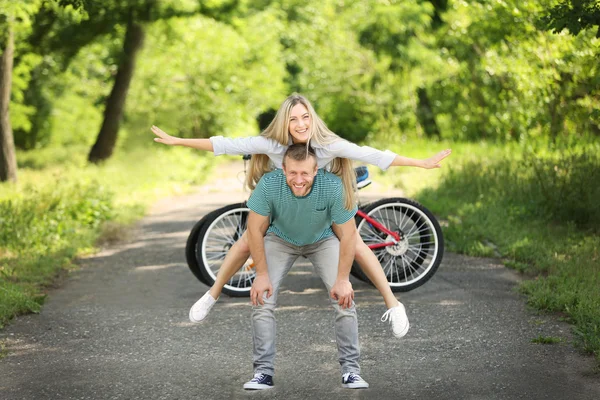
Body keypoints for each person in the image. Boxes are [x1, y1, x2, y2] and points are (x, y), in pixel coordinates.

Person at [151, 94, 451, 337]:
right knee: (246, 240)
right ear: (285, 122)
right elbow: (226, 144)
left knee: (355, 244)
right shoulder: (271, 145)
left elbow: (373, 154)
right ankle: (212, 294)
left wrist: (421, 163)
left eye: (305, 116)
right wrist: (179, 141)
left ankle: (394, 304)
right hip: (288, 200)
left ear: (313, 118)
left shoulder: (328, 145)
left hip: (324, 199)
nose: (301, 123)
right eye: (293, 118)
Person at [244, 143, 366, 390]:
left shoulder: (332, 187)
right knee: (262, 298)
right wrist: (262, 274)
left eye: (305, 174)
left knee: (345, 300)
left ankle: (351, 371)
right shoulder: (269, 184)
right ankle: (263, 373)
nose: (299, 179)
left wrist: (343, 279)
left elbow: (349, 235)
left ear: (316, 171)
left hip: (322, 240)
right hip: (280, 239)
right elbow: (254, 230)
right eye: (292, 173)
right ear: (283, 168)